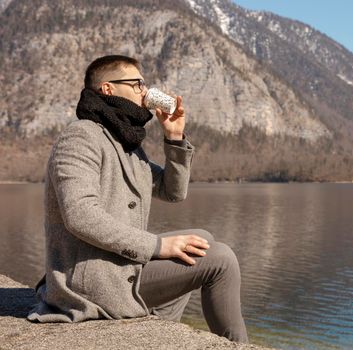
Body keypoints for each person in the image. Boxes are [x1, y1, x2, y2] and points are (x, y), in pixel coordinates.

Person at [27, 55, 248, 343]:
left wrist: (175, 138)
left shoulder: (127, 146)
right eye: (137, 84)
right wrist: (157, 246)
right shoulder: (80, 136)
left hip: (116, 267)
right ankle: (239, 346)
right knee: (221, 260)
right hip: (89, 281)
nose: (144, 92)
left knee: (201, 238)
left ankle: (159, 332)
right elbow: (79, 214)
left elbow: (173, 192)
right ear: (107, 89)